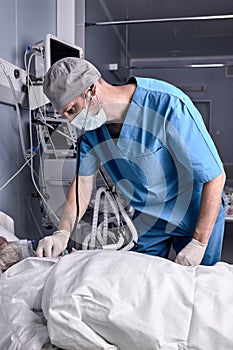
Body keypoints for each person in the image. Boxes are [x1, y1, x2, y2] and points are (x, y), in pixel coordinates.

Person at [35, 57, 226, 266]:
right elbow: (81, 184)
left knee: (199, 286)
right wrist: (62, 232)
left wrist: (199, 242)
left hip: (195, 210)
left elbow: (215, 177)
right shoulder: (91, 132)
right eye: (65, 115)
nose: (71, 120)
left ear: (91, 90)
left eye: (72, 110)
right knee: (141, 279)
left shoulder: (167, 105)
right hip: (152, 218)